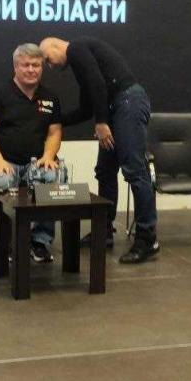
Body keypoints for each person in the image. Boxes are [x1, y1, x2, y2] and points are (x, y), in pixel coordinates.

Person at [39, 36, 158, 264]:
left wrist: (102, 122)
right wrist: (55, 121)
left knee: (135, 170)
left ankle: (147, 238)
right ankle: (103, 231)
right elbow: (87, 108)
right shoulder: (80, 62)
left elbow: (97, 83)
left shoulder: (76, 49)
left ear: (54, 46)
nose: (50, 66)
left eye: (47, 60)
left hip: (128, 103)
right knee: (105, 170)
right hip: (117, 108)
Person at [0, 44, 66, 263]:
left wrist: (48, 156)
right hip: (5, 162)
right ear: (16, 67)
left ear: (41, 68)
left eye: (36, 65)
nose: (31, 70)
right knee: (1, 181)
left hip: (37, 163)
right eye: (26, 65)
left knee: (52, 178)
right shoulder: (0, 95)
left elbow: (55, 133)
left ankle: (39, 242)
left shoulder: (50, 98)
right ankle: (9, 242)